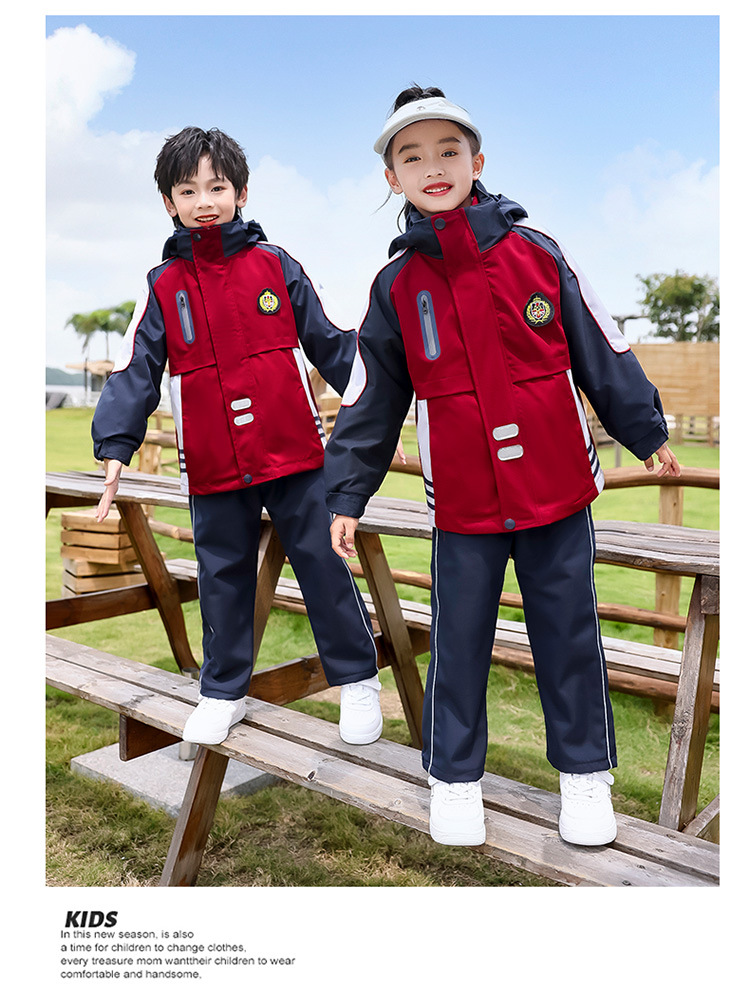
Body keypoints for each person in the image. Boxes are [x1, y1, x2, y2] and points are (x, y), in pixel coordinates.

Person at [324, 87, 680, 848]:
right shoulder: (395, 287)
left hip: (555, 485)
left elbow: (599, 342)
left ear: (477, 161)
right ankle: (454, 780)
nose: (433, 167)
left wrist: (645, 428)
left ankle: (585, 777)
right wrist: (346, 493)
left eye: (448, 151)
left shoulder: (537, 250)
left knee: (568, 633)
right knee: (459, 639)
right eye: (412, 156)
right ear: (392, 177)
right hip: (462, 499)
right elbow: (371, 398)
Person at [92, 127, 382, 748]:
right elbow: (135, 368)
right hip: (214, 463)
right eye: (188, 190)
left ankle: (358, 678)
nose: (204, 201)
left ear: (241, 193)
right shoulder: (163, 284)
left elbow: (334, 343)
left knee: (324, 563)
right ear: (169, 202)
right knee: (221, 577)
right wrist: (115, 446)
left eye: (217, 187)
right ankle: (223, 692)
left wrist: (381, 410)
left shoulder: (276, 265)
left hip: (295, 453)